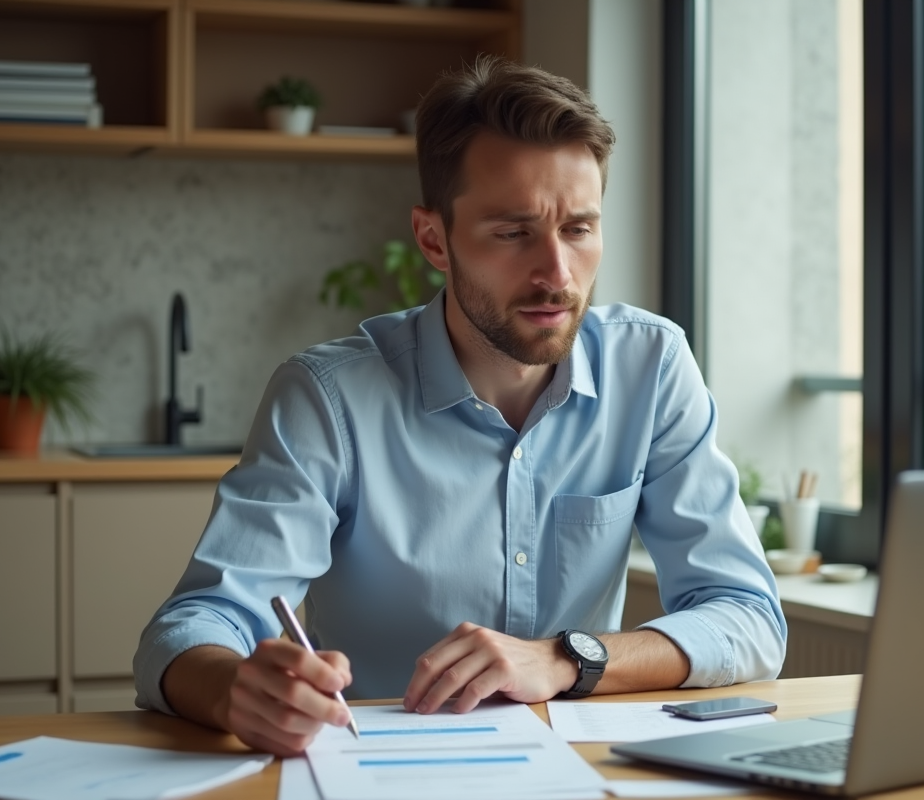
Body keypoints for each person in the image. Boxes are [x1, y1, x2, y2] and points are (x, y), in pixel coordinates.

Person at [133, 56, 786, 757]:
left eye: (579, 229)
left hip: (580, 772)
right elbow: (190, 627)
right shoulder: (328, 398)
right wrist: (237, 689)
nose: (556, 275)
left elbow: (748, 619)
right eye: (513, 232)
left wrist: (568, 658)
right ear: (433, 239)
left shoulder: (651, 368)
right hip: (377, 772)